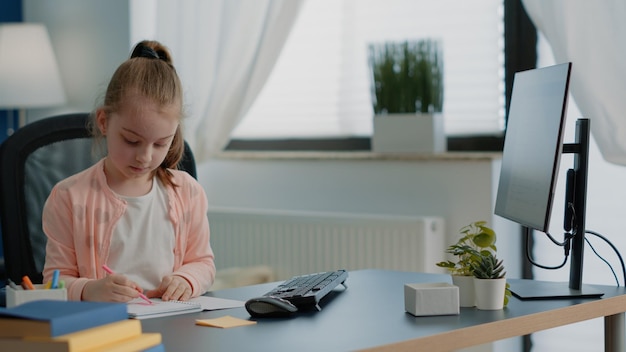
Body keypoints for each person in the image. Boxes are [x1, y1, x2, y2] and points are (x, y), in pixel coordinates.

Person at [42, 40, 215, 302]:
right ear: (103, 121)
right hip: (104, 329)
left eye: (160, 143)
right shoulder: (68, 197)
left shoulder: (188, 193)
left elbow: (202, 262)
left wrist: (186, 280)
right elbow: (54, 281)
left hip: (172, 324)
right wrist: (90, 290)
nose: (145, 156)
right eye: (131, 141)